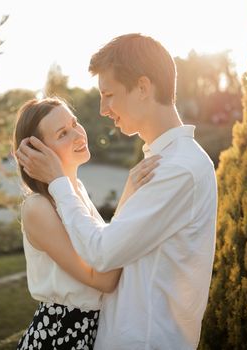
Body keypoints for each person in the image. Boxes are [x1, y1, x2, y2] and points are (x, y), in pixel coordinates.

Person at [16, 33, 218, 349]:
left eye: (108, 94)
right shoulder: (163, 163)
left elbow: (103, 254)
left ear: (142, 87)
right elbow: (114, 246)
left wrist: (59, 182)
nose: (102, 109)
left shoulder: (178, 169)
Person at [13, 97, 160, 350]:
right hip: (58, 337)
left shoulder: (76, 190)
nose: (78, 135)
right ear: (39, 152)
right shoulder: (38, 207)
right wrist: (128, 201)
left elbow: (103, 247)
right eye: (62, 133)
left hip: (89, 333)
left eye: (74, 123)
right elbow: (102, 278)